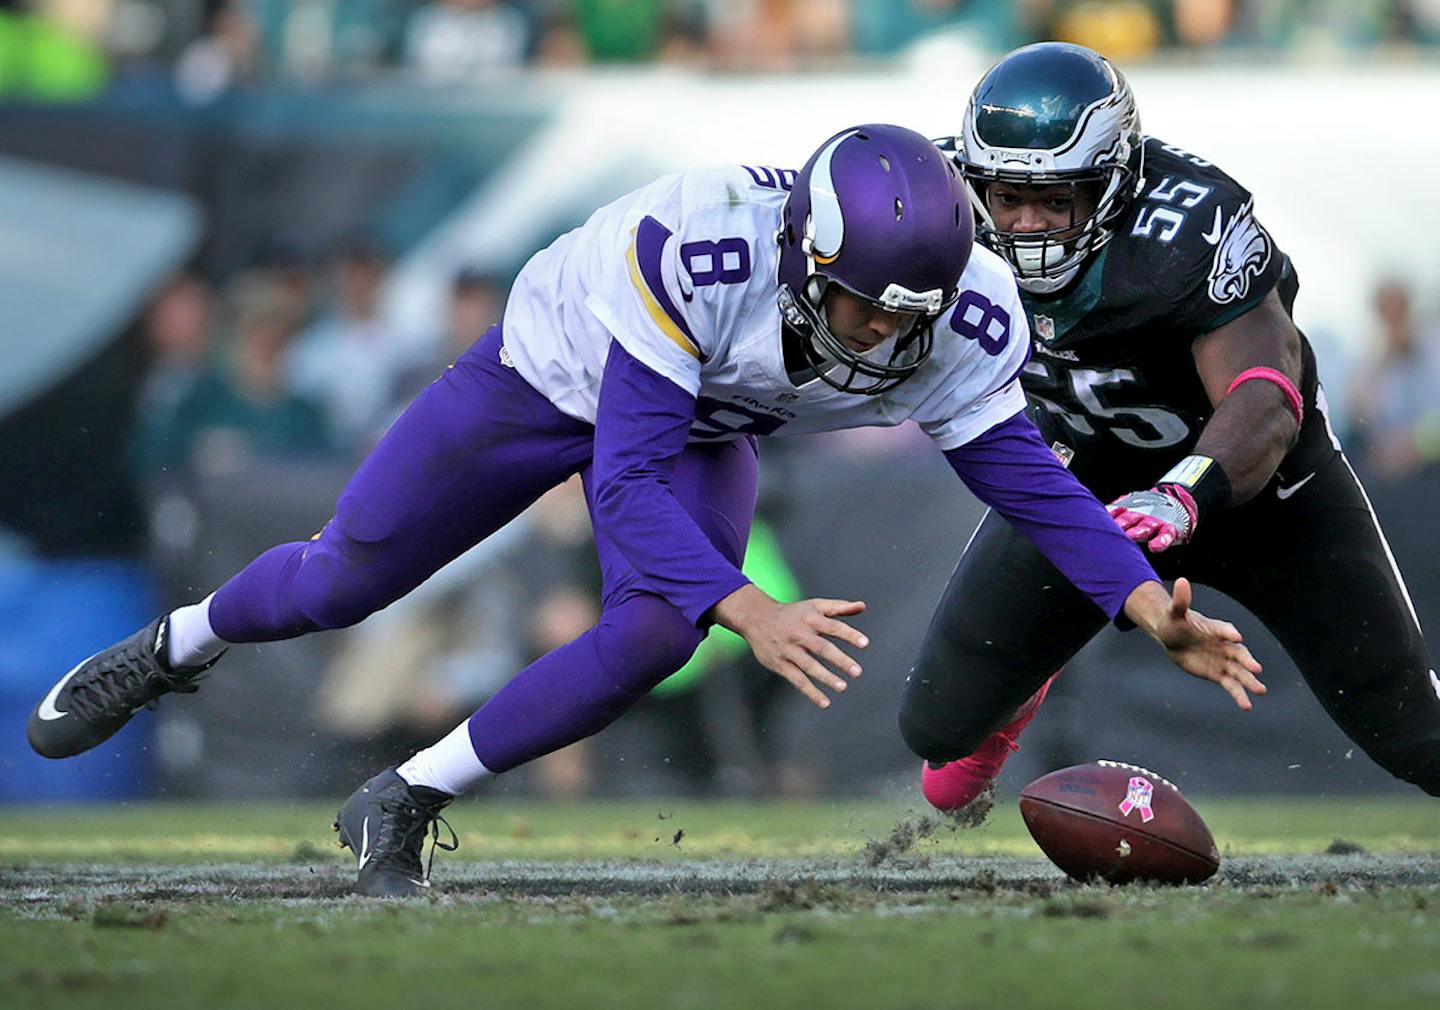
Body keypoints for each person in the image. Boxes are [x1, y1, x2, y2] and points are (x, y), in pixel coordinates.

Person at [28, 123, 1260, 896]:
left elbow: (1026, 477)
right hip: (548, 379)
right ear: (800, 257)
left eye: (906, 315)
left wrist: (1149, 603)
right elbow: (619, 475)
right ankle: (174, 645)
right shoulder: (700, 246)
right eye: (862, 307)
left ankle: (406, 795)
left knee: (657, 631)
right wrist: (754, 608)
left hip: (713, 419)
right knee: (343, 577)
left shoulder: (956, 305)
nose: (884, 334)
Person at [908, 43, 1440, 814]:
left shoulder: (1190, 227)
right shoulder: (940, 207)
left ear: (1116, 186)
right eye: (1006, 195)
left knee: (1406, 726)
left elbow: (1267, 392)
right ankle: (1029, 681)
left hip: (1261, 493)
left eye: (1058, 199)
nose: (1026, 224)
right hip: (1081, 486)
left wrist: (1184, 492)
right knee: (939, 734)